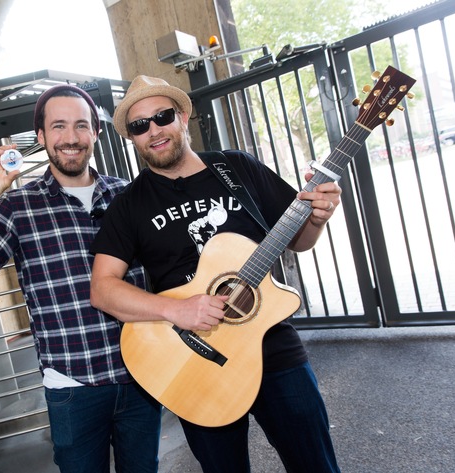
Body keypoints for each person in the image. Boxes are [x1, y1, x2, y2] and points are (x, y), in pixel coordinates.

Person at [90, 75, 341, 473]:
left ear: (183, 116)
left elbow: (298, 239)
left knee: (317, 465)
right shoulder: (129, 205)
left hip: (272, 346)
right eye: (140, 125)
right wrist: (177, 311)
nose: (153, 130)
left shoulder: (236, 168)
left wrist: (319, 218)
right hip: (196, 359)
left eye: (162, 116)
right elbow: (103, 291)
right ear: (132, 138)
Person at [0, 84, 161, 473]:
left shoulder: (129, 196)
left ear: (96, 132)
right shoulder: (17, 205)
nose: (71, 138)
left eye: (81, 126)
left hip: (142, 374)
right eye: (58, 127)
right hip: (73, 388)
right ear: (40, 137)